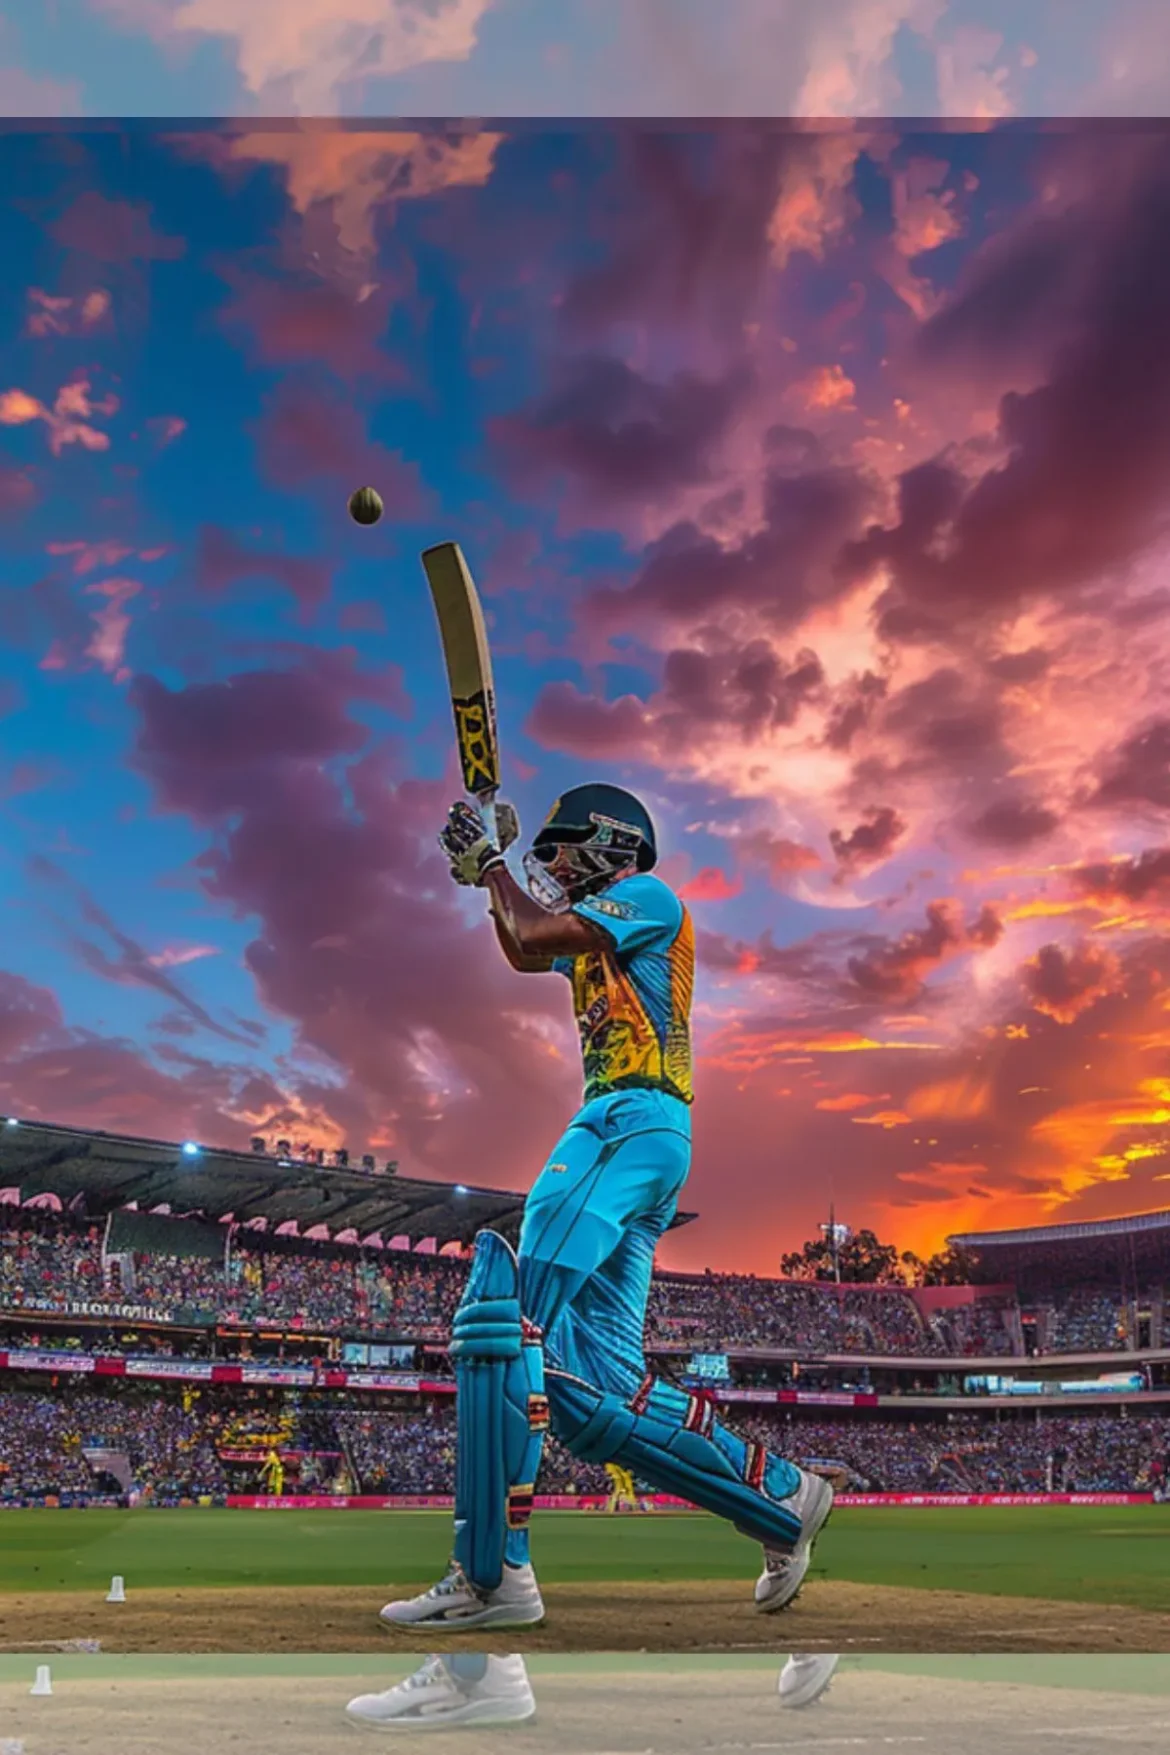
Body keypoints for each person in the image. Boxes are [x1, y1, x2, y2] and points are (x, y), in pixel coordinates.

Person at [380, 784, 832, 1632]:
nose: (550, 865)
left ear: (611, 844)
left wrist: (494, 861)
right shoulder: (600, 934)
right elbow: (522, 945)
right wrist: (492, 875)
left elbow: (540, 925)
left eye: (559, 848)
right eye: (541, 854)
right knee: (592, 1399)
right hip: (646, 1133)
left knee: (504, 1323)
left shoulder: (649, 898)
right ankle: (784, 1499)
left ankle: (490, 1577)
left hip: (626, 1118)